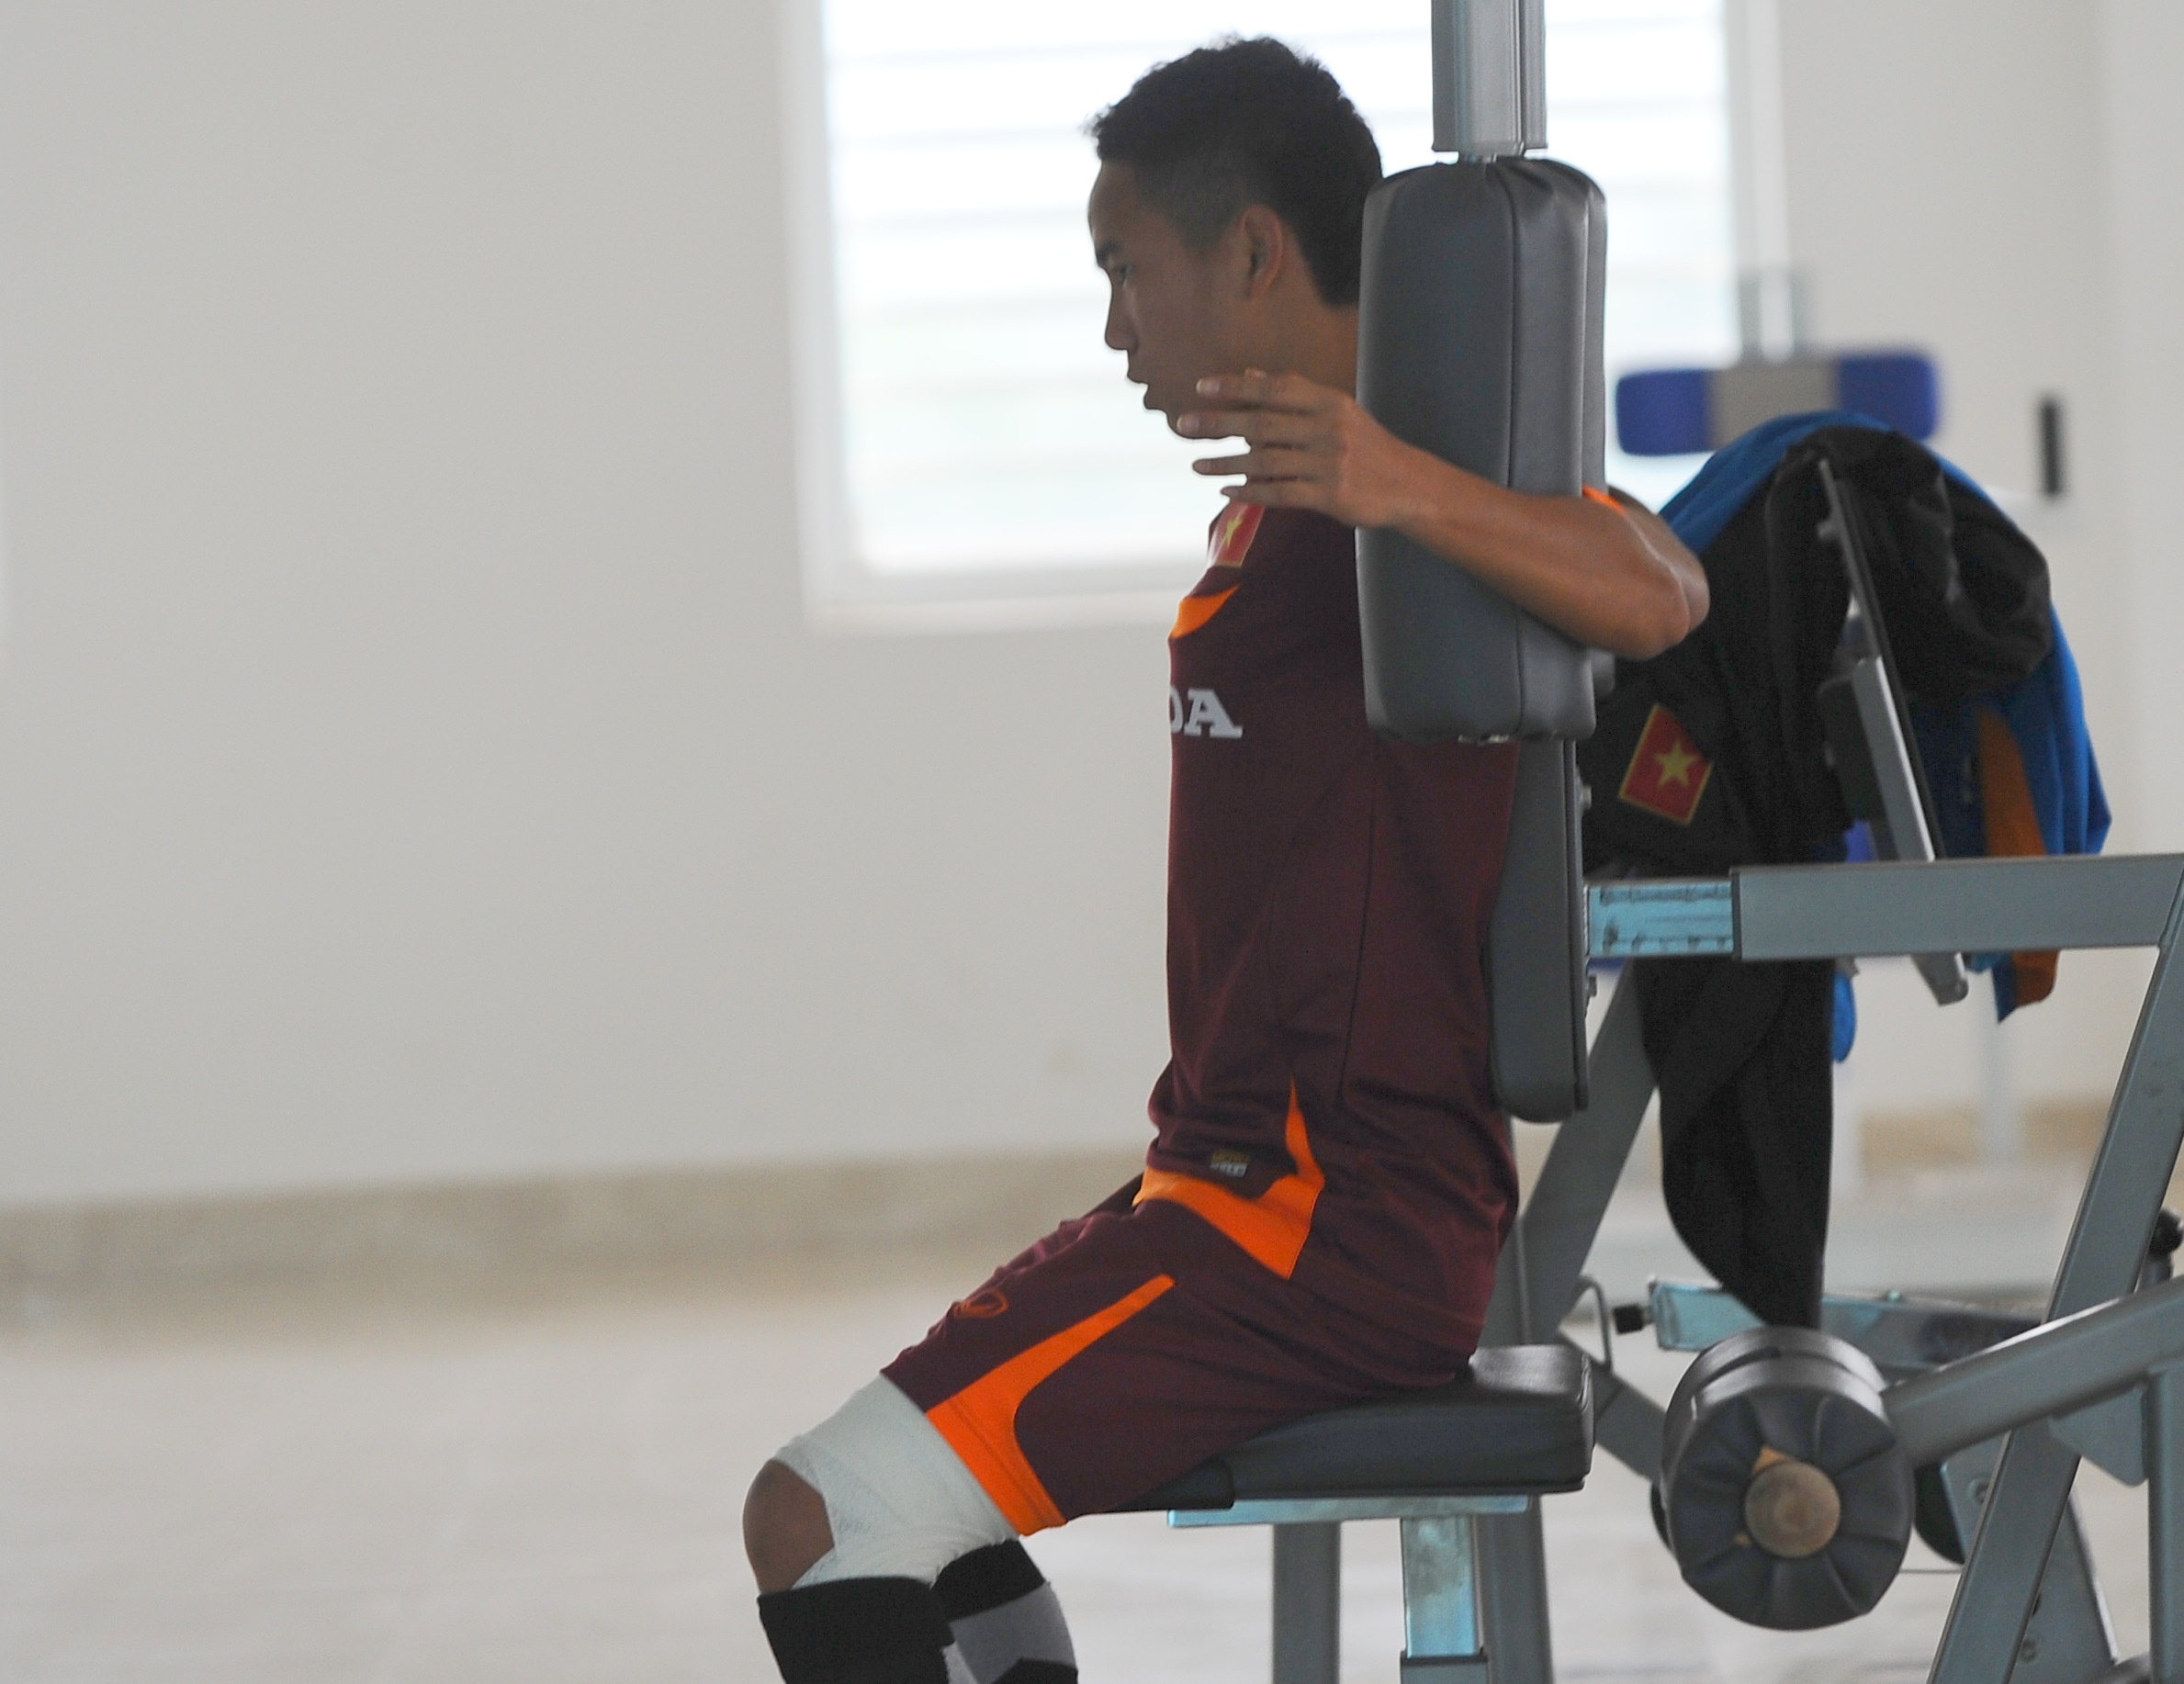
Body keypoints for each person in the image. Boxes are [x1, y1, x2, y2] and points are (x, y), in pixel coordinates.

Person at [745, 37, 1707, 1684]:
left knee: (819, 1516)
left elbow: (1660, 591)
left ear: (1253, 251)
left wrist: (1397, 482)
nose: (1115, 327)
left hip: (1319, 1231)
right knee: (938, 1534)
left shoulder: (1393, 495)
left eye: (1126, 269)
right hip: (1232, 1186)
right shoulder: (1292, 501)